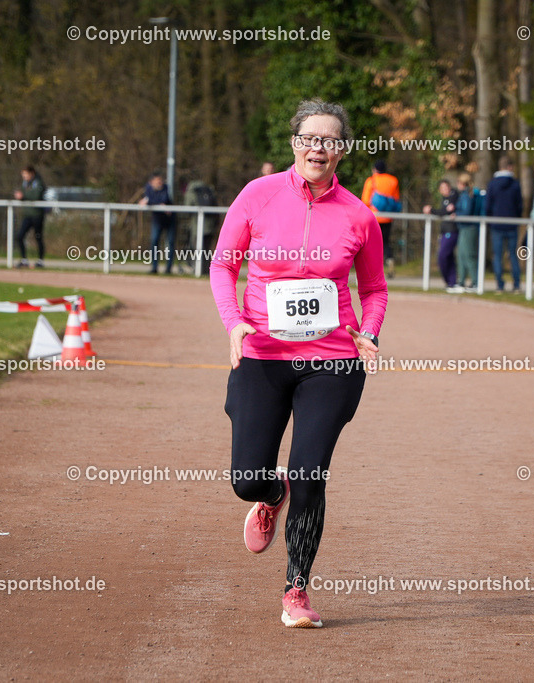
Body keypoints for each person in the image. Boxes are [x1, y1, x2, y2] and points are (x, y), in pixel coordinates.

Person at [210, 98, 387, 629]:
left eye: (331, 140)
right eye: (310, 138)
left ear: (343, 150)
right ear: (294, 144)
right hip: (262, 354)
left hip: (331, 361)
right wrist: (234, 322)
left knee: (311, 471)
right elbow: (224, 267)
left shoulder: (359, 214)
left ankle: (296, 590)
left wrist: (369, 332)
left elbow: (374, 288)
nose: (319, 147)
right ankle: (270, 495)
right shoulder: (256, 196)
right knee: (246, 477)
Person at [485, 155, 524, 292]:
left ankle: (499, 285)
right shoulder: (515, 184)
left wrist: (490, 220)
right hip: (512, 224)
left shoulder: (492, 184)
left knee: (498, 255)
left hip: (496, 225)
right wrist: (517, 218)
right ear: (510, 167)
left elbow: (488, 205)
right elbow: (519, 205)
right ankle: (517, 284)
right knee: (513, 255)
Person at [360, 159, 400, 277]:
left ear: (375, 169)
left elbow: (366, 200)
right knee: (386, 242)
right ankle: (390, 262)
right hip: (388, 217)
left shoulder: (371, 180)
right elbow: (395, 199)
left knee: (372, 244)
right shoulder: (393, 180)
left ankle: (374, 269)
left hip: (374, 217)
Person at [423, 179, 459, 292]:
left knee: (442, 256)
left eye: (446, 187)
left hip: (451, 231)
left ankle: (450, 281)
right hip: (444, 231)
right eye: (442, 188)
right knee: (449, 257)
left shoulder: (454, 196)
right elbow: (444, 211)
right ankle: (452, 283)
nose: (445, 190)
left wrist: (431, 210)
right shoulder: (444, 199)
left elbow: (445, 212)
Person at [139, 172, 176, 274]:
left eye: (160, 181)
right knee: (154, 242)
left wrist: (149, 201)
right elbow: (148, 200)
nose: (160, 183)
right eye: (157, 181)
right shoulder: (148, 188)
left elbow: (164, 200)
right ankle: (154, 267)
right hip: (157, 220)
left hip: (169, 220)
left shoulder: (166, 188)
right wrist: (152, 201)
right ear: (151, 182)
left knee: (170, 243)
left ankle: (168, 269)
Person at [453, 173, 483, 292]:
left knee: (469, 255)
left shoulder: (467, 195)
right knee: (461, 255)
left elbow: (466, 211)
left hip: (469, 228)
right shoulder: (465, 195)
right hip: (464, 228)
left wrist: (456, 214)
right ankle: (461, 281)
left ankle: (475, 282)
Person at [14, 166, 46, 268]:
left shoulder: (38, 183)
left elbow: (36, 196)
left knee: (38, 237)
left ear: (31, 173)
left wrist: (23, 195)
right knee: (20, 236)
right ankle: (24, 260)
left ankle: (40, 261)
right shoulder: (25, 183)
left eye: (26, 174)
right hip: (27, 215)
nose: (24, 176)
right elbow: (23, 194)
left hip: (37, 215)